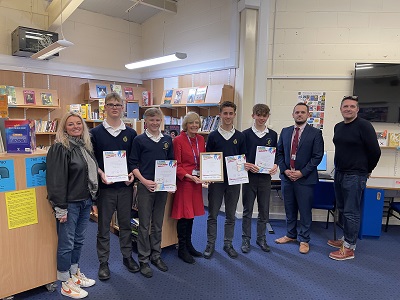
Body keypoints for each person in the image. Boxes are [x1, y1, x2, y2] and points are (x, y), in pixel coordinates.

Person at [46, 112, 98, 299]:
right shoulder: (60, 148)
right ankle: (64, 282)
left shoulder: (84, 146)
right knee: (66, 244)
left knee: (79, 240)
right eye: (71, 124)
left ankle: (74, 273)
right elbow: (56, 181)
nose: (76, 126)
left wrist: (92, 200)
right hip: (69, 204)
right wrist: (60, 207)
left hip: (85, 201)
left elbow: (88, 175)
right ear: (64, 128)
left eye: (79, 123)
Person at [90, 92, 138, 281]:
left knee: (125, 224)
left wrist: (132, 175)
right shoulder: (95, 133)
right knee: (103, 227)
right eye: (111, 104)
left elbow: (134, 160)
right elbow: (92, 160)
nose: (115, 107)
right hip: (106, 189)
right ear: (105, 108)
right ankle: (104, 262)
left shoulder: (131, 133)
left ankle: (127, 257)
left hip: (125, 187)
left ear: (123, 107)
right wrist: (101, 174)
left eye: (118, 104)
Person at [328, 96, 381, 260]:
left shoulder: (364, 126)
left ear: (357, 109)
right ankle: (346, 239)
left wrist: (367, 170)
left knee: (351, 212)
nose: (348, 109)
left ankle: (350, 247)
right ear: (341, 109)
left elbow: (375, 151)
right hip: (340, 173)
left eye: (352, 106)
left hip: (355, 175)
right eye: (345, 106)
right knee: (343, 209)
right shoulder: (338, 127)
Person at [130, 108, 174, 278]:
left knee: (157, 223)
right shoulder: (139, 140)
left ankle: (156, 255)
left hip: (161, 188)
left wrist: (170, 183)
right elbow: (133, 164)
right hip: (145, 186)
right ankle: (143, 259)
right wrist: (143, 181)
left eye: (158, 120)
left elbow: (170, 163)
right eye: (152, 120)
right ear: (145, 121)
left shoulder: (167, 140)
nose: (155, 123)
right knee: (144, 224)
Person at [275, 102, 324, 254]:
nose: (300, 114)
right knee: (289, 209)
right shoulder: (285, 131)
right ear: (293, 114)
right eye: (297, 112)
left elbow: (317, 157)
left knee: (304, 211)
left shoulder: (315, 133)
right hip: (287, 178)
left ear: (308, 115)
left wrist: (302, 172)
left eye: (303, 112)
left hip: (305, 179)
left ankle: (304, 239)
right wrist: (285, 170)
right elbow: (279, 153)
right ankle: (290, 235)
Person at [203, 101, 247, 259]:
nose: (228, 116)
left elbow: (243, 158)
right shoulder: (213, 136)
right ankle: (210, 243)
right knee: (212, 214)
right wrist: (209, 176)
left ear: (234, 115)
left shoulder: (240, 137)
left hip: (234, 181)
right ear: (220, 114)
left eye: (231, 113)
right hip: (217, 182)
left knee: (230, 215)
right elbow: (208, 159)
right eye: (225, 113)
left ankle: (228, 244)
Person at [241, 104, 278, 253]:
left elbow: (277, 154)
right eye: (259, 115)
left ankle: (261, 238)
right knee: (247, 209)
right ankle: (245, 238)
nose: (262, 118)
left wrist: (275, 165)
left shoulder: (273, 135)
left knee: (264, 210)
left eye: (264, 115)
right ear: (253, 116)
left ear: (268, 116)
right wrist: (246, 164)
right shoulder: (245, 134)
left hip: (265, 179)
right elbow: (241, 157)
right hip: (249, 177)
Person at [171, 112, 205, 264]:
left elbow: (204, 160)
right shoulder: (178, 140)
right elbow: (176, 164)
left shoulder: (201, 139)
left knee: (191, 215)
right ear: (186, 124)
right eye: (191, 123)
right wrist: (188, 176)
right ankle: (182, 248)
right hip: (185, 182)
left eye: (197, 123)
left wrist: (207, 175)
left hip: (196, 182)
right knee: (184, 215)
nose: (194, 125)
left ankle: (189, 244)